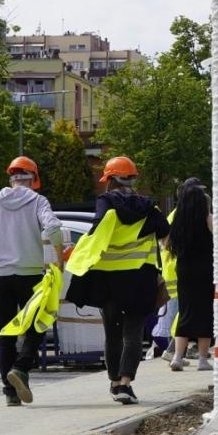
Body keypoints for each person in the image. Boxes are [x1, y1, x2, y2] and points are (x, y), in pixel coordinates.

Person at [0, 156, 65, 407]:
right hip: (30, 275)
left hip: (2, 277)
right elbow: (52, 229)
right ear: (32, 179)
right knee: (35, 327)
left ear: (12, 178)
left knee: (6, 333)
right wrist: (59, 259)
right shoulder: (38, 201)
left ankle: (10, 393)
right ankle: (20, 368)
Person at [66, 155, 169, 405]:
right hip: (139, 280)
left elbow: (97, 230)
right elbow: (167, 238)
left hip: (109, 280)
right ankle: (125, 383)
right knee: (133, 333)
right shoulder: (149, 207)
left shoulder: (105, 201)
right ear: (132, 179)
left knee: (112, 334)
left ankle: (113, 382)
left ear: (110, 180)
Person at [165, 177, 215, 371]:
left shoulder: (178, 219)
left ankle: (177, 356)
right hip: (205, 269)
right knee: (205, 312)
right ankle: (203, 359)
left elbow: (168, 244)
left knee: (185, 311)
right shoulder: (207, 218)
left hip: (184, 269)